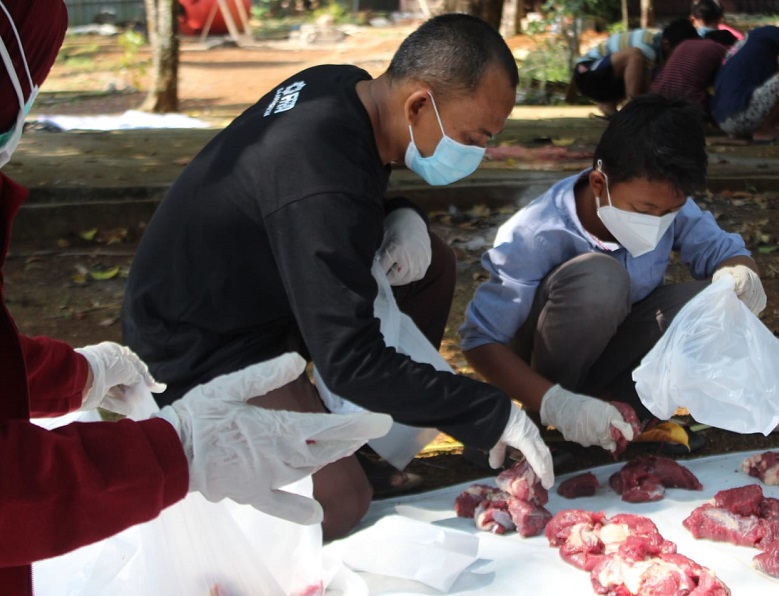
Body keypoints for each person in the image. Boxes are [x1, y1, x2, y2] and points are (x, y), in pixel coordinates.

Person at [0, 1, 392, 591]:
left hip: (231, 339)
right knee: (338, 495)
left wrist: (74, 374)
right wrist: (174, 452)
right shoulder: (313, 146)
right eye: (30, 86)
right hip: (200, 345)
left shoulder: (333, 106)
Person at [121, 13, 555, 540]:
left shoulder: (345, 87)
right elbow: (351, 359)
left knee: (429, 265)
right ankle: (199, 477)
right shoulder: (318, 170)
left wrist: (402, 215)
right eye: (473, 136)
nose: (478, 153)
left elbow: (333, 203)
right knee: (342, 503)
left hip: (257, 289)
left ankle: (359, 438)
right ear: (418, 104)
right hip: (196, 346)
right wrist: (491, 415)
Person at [459, 94, 765, 454]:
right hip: (547, 375)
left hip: (618, 357)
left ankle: (626, 411)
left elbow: (725, 252)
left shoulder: (666, 201)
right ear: (599, 184)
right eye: (644, 209)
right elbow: (481, 341)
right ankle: (552, 419)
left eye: (671, 210)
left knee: (713, 301)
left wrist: (742, 275)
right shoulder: (535, 232)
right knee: (601, 280)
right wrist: (556, 401)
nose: (658, 221)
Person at [571, 18, 700, 118]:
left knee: (637, 74)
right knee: (634, 55)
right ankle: (634, 111)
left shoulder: (660, 49)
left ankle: (609, 106)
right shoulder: (647, 46)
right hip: (586, 73)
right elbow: (647, 87)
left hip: (603, 78)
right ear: (666, 44)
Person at [711, 25, 779, 144]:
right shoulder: (767, 35)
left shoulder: (744, 49)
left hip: (723, 121)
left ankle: (752, 130)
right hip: (741, 116)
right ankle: (765, 131)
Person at [649, 32, 735, 122]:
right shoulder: (721, 50)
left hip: (656, 96)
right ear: (728, 46)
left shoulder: (685, 43)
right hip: (687, 101)